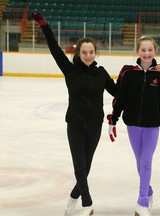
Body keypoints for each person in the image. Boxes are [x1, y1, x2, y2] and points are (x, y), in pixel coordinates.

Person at [31, 12, 117, 216]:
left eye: (91, 52)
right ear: (78, 53)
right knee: (79, 165)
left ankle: (73, 195)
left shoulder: (101, 73)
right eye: (84, 52)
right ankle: (87, 203)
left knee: (86, 168)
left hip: (95, 125)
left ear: (96, 53)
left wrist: (134, 77)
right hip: (75, 124)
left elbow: (119, 92)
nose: (88, 55)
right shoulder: (70, 70)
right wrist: (44, 26)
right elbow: (54, 48)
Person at [107, 36, 160, 216]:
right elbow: (120, 98)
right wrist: (113, 119)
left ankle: (142, 201)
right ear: (137, 51)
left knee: (146, 161)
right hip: (133, 125)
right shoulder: (128, 73)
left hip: (152, 125)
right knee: (139, 162)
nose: (146, 53)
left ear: (156, 51)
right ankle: (149, 191)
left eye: (150, 50)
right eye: (143, 50)